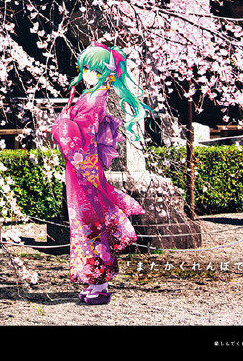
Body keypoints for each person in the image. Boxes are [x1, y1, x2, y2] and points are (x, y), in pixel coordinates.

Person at [51, 43, 149, 305]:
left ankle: (99, 284)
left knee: (90, 225)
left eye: (93, 70)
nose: (87, 75)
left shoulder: (95, 99)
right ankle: (93, 282)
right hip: (81, 170)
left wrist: (61, 125)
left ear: (104, 72)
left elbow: (79, 137)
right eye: (84, 69)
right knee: (87, 224)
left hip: (84, 169)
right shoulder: (90, 96)